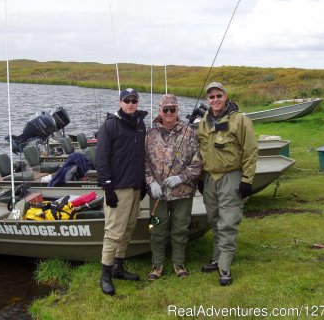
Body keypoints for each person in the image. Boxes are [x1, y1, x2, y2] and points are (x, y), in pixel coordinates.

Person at [197, 82, 258, 286]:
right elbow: (200, 153)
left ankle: (224, 266)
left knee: (228, 223)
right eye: (211, 97)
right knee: (214, 221)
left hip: (230, 177)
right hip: (209, 178)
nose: (215, 100)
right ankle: (217, 258)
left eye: (218, 96)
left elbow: (250, 152)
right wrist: (199, 179)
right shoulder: (203, 122)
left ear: (226, 97)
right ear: (207, 100)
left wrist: (247, 179)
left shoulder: (241, 121)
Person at [95, 87, 148, 296]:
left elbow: (140, 156)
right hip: (117, 188)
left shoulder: (140, 125)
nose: (130, 104)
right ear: (120, 102)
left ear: (138, 103)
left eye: (134, 100)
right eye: (127, 100)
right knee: (114, 233)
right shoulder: (109, 126)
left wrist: (142, 182)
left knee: (128, 229)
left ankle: (119, 267)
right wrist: (107, 187)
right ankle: (105, 275)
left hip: (135, 187)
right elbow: (101, 160)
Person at [145, 94, 202, 280]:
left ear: (178, 110)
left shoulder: (189, 133)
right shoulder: (149, 134)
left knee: (180, 228)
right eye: (165, 109)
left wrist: (181, 177)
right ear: (159, 110)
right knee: (156, 227)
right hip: (158, 195)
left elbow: (197, 163)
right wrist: (151, 181)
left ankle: (178, 263)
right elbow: (143, 163)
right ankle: (157, 264)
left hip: (182, 192)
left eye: (173, 109)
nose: (169, 112)